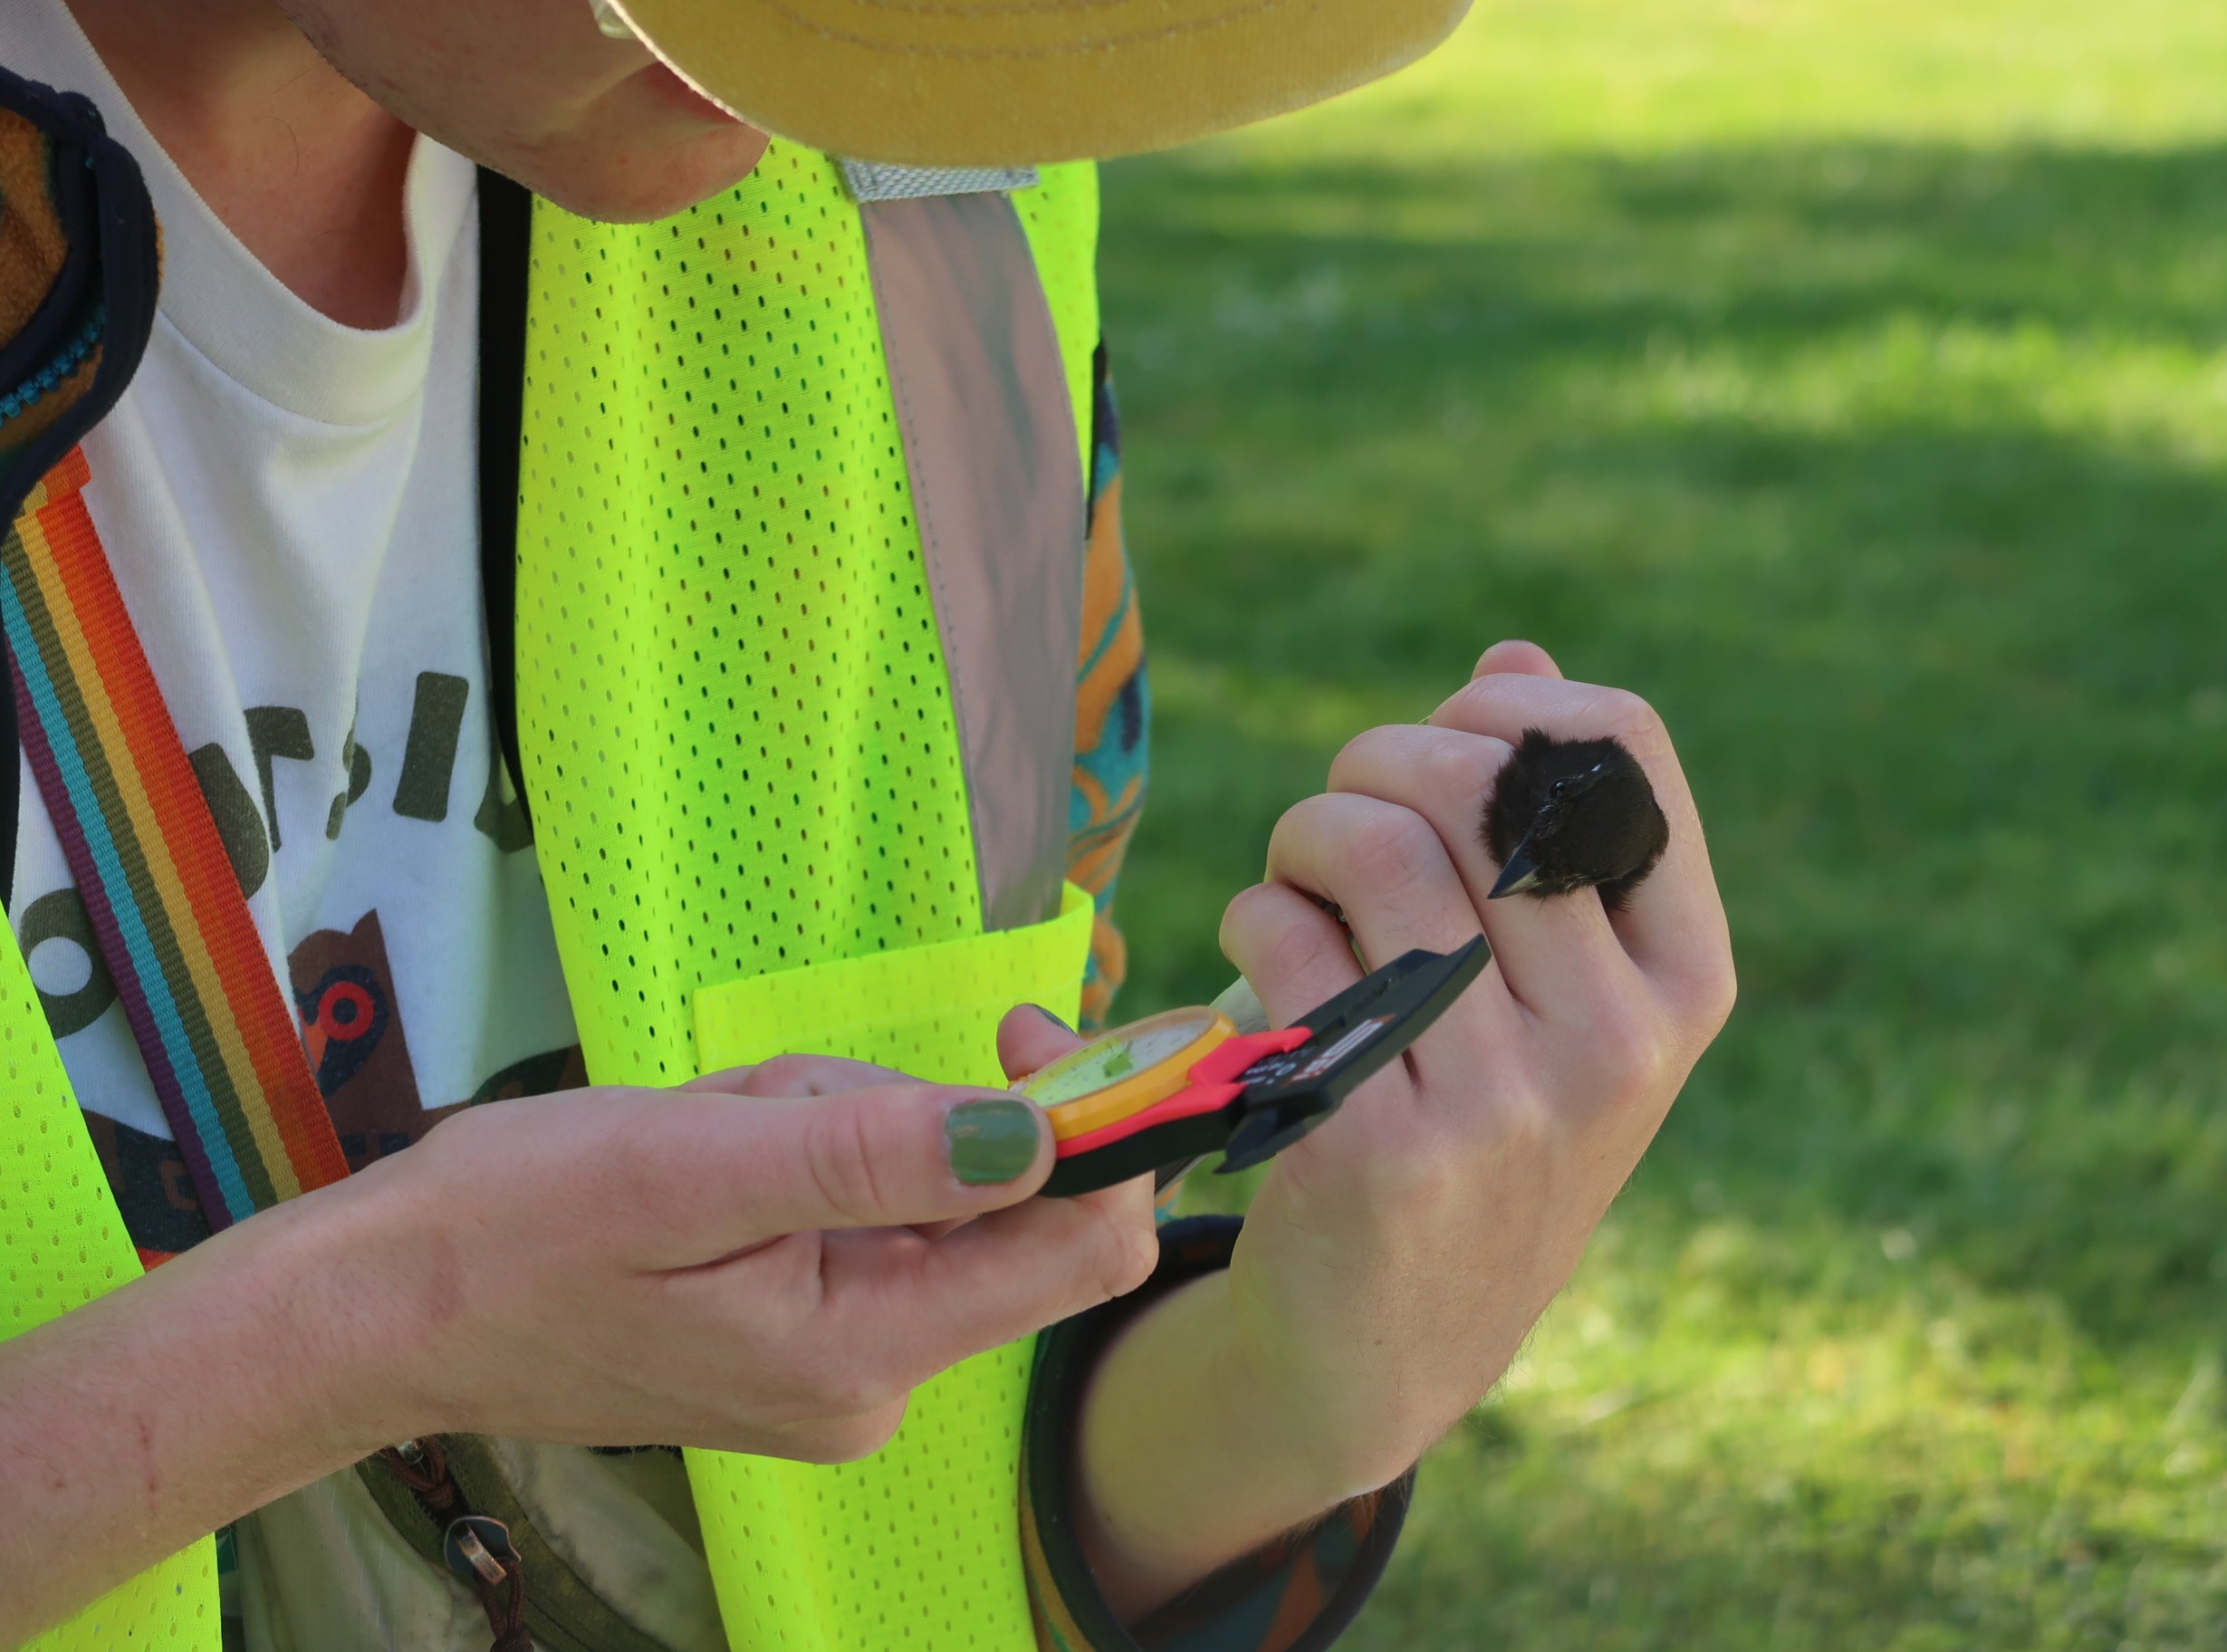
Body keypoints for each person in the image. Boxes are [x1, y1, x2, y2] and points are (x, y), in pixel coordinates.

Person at [0, 0, 1737, 1647]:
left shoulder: (936, 193)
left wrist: (1296, 1393)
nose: (880, 49)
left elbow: (908, 1494)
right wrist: (371, 1329)